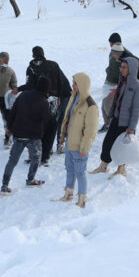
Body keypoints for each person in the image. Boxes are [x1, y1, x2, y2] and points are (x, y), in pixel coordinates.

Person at [90, 57, 139, 178]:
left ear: (132, 69)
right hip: (116, 118)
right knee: (107, 143)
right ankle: (103, 166)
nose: (121, 69)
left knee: (122, 147)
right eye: (121, 67)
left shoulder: (138, 86)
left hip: (126, 124)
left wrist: (131, 127)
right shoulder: (122, 81)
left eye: (124, 67)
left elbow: (137, 109)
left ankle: (121, 169)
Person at [0, 77, 52, 195]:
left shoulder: (23, 95)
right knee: (36, 158)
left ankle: (4, 185)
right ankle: (30, 179)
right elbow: (47, 120)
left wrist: (9, 128)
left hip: (18, 134)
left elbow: (13, 112)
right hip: (33, 136)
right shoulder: (43, 102)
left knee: (12, 161)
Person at [17, 46, 70, 160]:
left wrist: (20, 90)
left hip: (46, 99)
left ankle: (46, 149)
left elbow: (30, 86)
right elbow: (62, 81)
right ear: (43, 53)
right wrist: (60, 96)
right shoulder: (53, 65)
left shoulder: (31, 68)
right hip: (59, 97)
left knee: (44, 124)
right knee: (58, 122)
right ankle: (57, 145)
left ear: (33, 55)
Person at [54, 73, 99, 208]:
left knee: (80, 172)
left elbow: (91, 130)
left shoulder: (91, 106)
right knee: (69, 168)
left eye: (75, 83)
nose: (72, 86)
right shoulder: (74, 98)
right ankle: (68, 194)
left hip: (80, 146)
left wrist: (84, 147)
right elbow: (67, 118)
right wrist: (62, 135)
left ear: (82, 85)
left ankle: (82, 199)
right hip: (69, 143)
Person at [99, 33, 123, 133]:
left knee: (108, 106)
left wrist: (118, 86)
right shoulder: (112, 52)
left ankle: (113, 125)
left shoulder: (121, 53)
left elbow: (122, 71)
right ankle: (107, 124)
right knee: (104, 105)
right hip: (108, 82)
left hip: (114, 84)